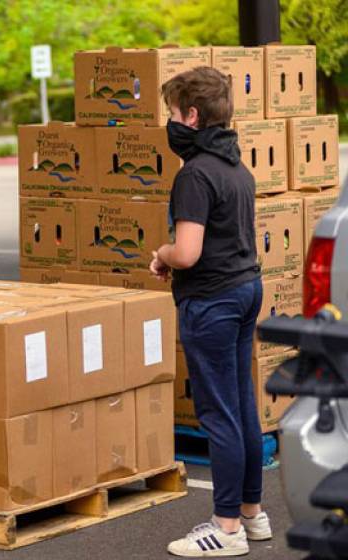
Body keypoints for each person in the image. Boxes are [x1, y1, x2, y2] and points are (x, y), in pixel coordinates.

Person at [149, 67, 269, 557]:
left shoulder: (194, 174)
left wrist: (161, 253)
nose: (170, 122)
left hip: (212, 301)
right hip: (245, 289)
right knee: (242, 406)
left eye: (173, 113)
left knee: (219, 415)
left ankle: (225, 529)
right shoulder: (237, 168)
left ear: (191, 116)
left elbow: (189, 251)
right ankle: (251, 514)